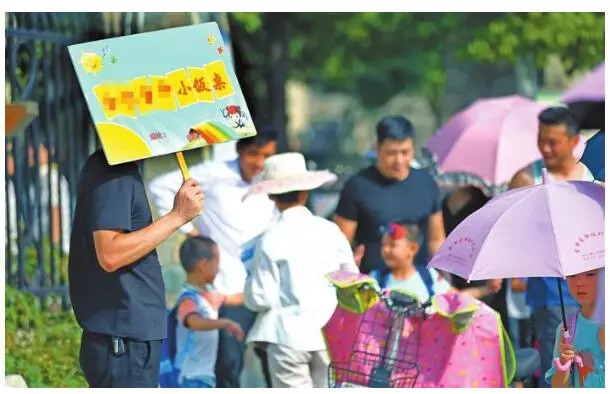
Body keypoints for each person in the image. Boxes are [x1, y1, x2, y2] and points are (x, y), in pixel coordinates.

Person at [148, 128, 278, 388]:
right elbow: (159, 186)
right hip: (226, 290)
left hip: (266, 290)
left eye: (267, 155)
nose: (260, 162)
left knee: (276, 372)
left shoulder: (274, 179)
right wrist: (189, 229)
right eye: (254, 154)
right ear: (240, 151)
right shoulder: (215, 173)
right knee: (228, 371)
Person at [68, 149, 204, 388]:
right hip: (123, 342)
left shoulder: (120, 169)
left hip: (129, 339)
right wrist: (177, 216)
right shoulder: (113, 170)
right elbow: (110, 253)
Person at [244, 152, 359, 388]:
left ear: (272, 196)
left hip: (287, 337)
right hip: (330, 333)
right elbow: (351, 279)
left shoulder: (269, 239)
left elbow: (261, 297)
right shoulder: (330, 231)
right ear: (305, 193)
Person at [508, 107, 593, 386]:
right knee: (556, 365)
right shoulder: (525, 178)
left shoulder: (589, 179)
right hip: (550, 290)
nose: (545, 148)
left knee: (592, 364)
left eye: (553, 141)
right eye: (540, 140)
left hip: (593, 285)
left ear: (573, 141)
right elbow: (510, 231)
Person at [334, 115, 445, 275]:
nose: (399, 160)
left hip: (419, 286)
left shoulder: (427, 183)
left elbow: (436, 240)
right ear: (378, 149)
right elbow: (339, 245)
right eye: (391, 153)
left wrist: (443, 275)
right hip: (373, 287)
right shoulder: (357, 186)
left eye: (405, 152)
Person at [174, 236, 245, 388]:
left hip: (205, 375)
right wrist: (223, 323)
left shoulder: (209, 294)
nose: (218, 269)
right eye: (216, 262)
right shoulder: (188, 299)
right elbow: (193, 321)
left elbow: (239, 298)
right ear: (203, 265)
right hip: (190, 378)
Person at [371, 222, 500, 303]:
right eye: (384, 245)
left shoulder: (429, 277)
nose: (386, 250)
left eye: (392, 245)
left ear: (412, 249)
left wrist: (485, 289)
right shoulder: (375, 278)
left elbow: (457, 298)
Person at [546, 268, 605, 388]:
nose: (579, 283)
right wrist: (564, 364)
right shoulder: (566, 328)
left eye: (590, 274)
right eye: (572, 275)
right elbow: (558, 387)